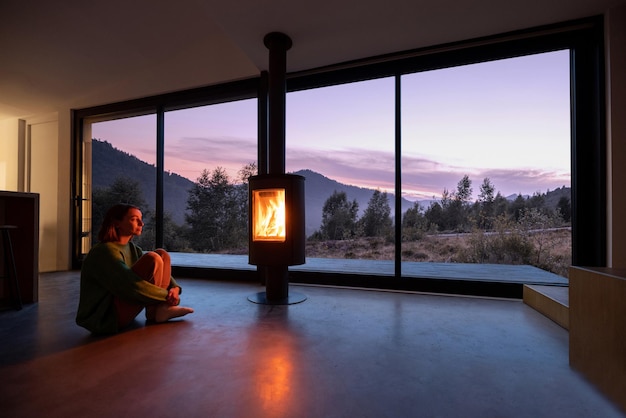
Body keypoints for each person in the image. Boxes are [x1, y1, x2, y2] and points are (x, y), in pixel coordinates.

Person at [76, 203, 193, 334]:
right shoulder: (105, 251)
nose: (141, 223)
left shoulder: (132, 248)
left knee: (161, 254)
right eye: (134, 219)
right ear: (116, 223)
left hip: (121, 305)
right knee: (153, 258)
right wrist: (167, 297)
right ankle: (161, 308)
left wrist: (175, 288)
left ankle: (158, 311)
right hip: (105, 317)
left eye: (140, 219)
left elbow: (154, 273)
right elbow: (131, 286)